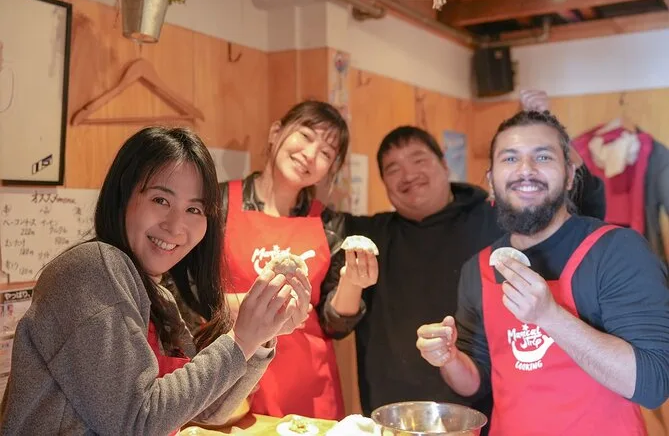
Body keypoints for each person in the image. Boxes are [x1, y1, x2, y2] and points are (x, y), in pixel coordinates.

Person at [0, 127, 311, 435]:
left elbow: (208, 409)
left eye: (194, 209)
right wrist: (241, 339)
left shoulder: (158, 296)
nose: (176, 226)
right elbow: (137, 422)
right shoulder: (90, 269)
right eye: (161, 200)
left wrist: (260, 338)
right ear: (122, 196)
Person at [320, 91, 606, 421]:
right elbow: (316, 223)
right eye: (393, 169)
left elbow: (585, 207)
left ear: (445, 165)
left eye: (419, 160)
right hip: (393, 414)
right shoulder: (371, 235)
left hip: (489, 410)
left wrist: (550, 133)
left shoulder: (497, 217)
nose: (408, 174)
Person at [416, 110, 669, 435]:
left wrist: (550, 317)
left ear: (569, 175)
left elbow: (653, 383)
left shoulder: (617, 251)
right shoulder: (478, 268)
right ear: (491, 180)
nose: (525, 169)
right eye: (510, 158)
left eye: (543, 156)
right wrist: (449, 358)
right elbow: (474, 383)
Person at [171, 100, 378, 420]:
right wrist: (237, 305)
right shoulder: (218, 203)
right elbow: (178, 289)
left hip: (308, 389)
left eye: (326, 153)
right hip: (229, 381)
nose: (310, 154)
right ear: (275, 132)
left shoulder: (329, 224)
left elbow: (334, 324)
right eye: (305, 136)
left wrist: (353, 281)